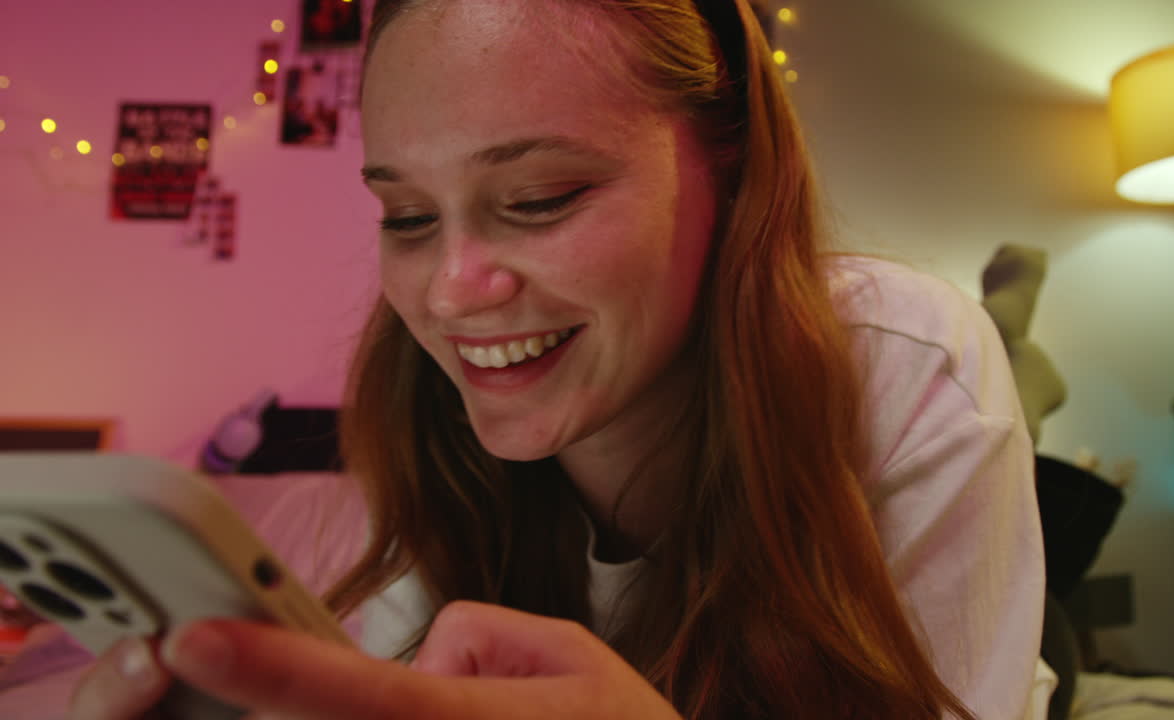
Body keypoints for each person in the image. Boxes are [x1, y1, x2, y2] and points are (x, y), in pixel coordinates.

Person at [70, 1, 1045, 718]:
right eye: (405, 216)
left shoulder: (905, 361)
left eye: (539, 198)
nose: (450, 291)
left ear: (731, 165)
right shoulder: (423, 415)